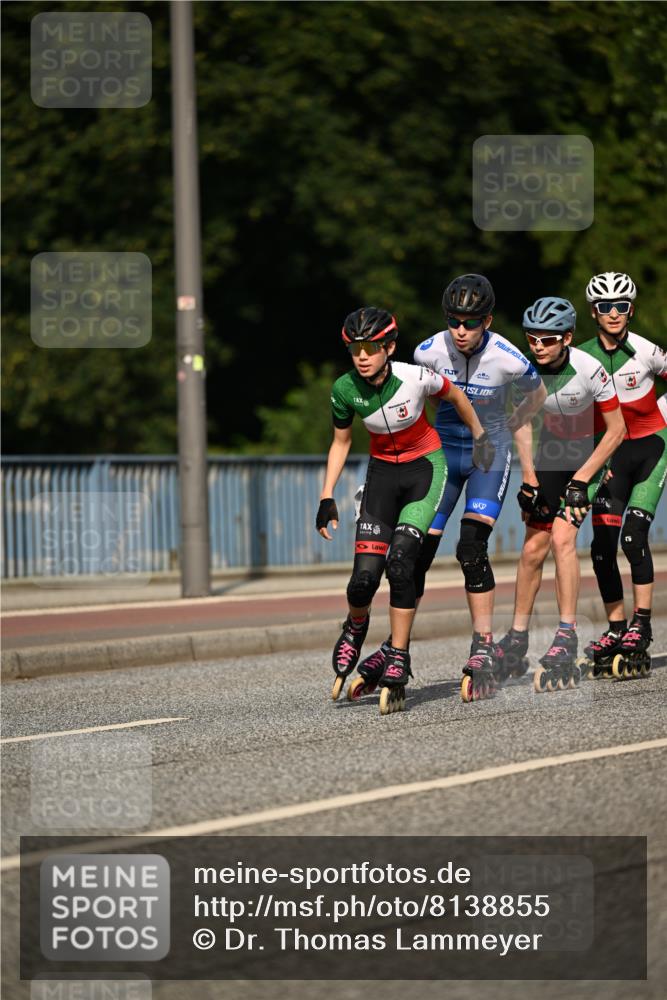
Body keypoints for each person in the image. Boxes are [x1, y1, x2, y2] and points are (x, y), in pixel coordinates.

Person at [357, 274, 545, 702]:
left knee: (471, 548)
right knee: (415, 554)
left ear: (487, 321)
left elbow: (536, 397)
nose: (461, 330)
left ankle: (483, 646)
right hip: (442, 455)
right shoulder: (427, 351)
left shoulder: (509, 358)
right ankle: (395, 646)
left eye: (471, 322)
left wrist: (512, 434)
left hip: (487, 455)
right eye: (454, 321)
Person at [317, 306, 490, 715]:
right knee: (362, 581)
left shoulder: (415, 377)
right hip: (382, 475)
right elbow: (341, 442)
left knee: (400, 564)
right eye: (355, 349)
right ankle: (355, 625)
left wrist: (480, 435)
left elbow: (456, 395)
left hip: (425, 470)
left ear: (390, 348)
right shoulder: (344, 389)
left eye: (371, 348)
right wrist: (326, 497)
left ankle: (398, 653)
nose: (362, 356)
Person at [494, 297, 625, 692]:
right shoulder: (525, 372)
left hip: (591, 453)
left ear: (567, 338)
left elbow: (617, 430)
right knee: (533, 547)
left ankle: (567, 634)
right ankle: (517, 637)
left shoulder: (589, 368)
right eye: (532, 338)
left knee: (563, 538)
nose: (538, 346)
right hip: (552, 453)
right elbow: (520, 422)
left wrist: (582, 479)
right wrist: (529, 478)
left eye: (548, 339)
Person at [579, 271, 667, 678]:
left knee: (633, 537)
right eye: (604, 307)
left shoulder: (646, 350)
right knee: (601, 546)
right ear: (593, 312)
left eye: (620, 306)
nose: (613, 313)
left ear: (631, 310)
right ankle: (616, 627)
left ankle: (641, 625)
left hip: (651, 450)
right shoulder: (580, 357)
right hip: (611, 459)